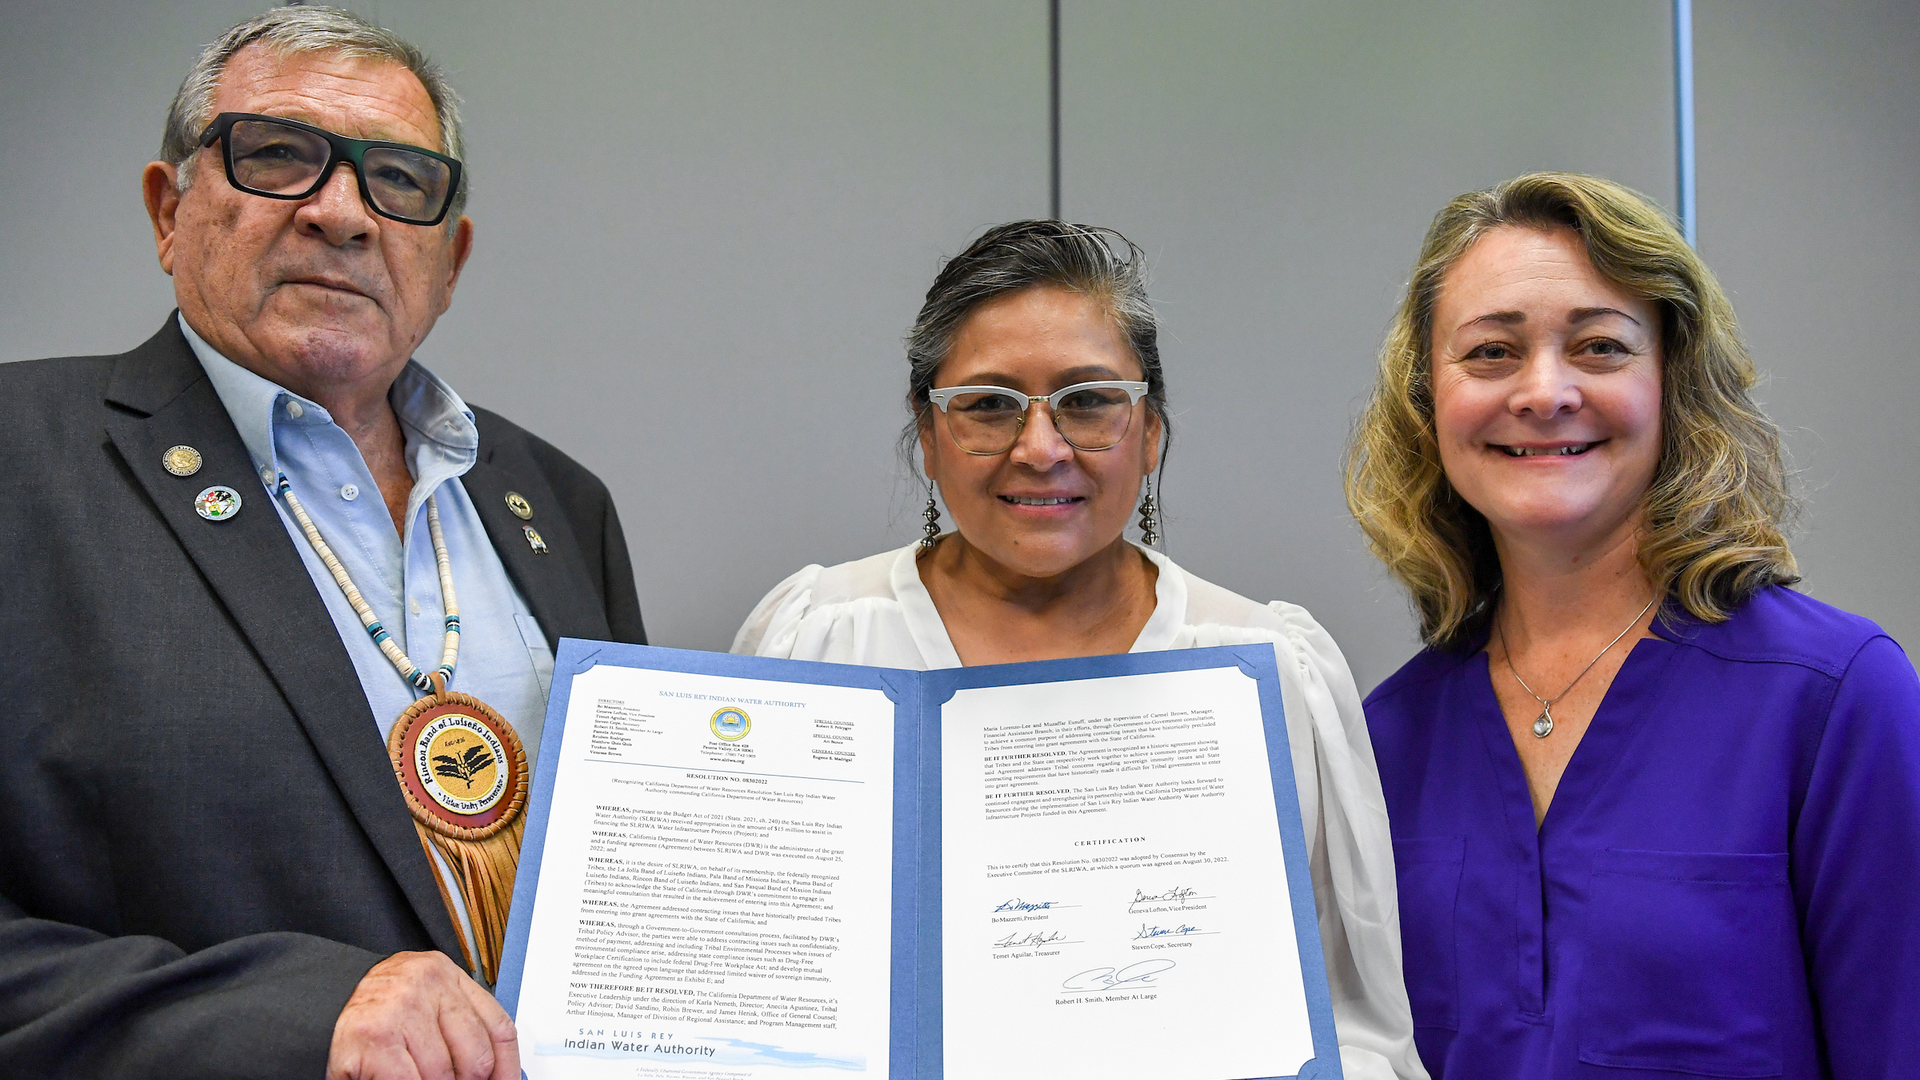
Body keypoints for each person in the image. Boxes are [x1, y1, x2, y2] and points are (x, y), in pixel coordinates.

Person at [0, 9, 646, 1079]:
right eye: (280, 157)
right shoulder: (21, 466)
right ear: (170, 211)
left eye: (399, 181)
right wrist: (286, 1019)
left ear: (450, 258)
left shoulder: (557, 502)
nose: (342, 215)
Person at [734, 219, 1427, 1080]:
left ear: (1152, 432)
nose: (1040, 449)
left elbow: (1351, 1022)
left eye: (1088, 401)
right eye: (986, 405)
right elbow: (749, 968)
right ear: (926, 435)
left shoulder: (1267, 670)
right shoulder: (819, 640)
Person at [1347, 172, 1920, 1078]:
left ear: (1672, 384)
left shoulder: (1837, 698)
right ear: (1427, 400)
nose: (1543, 391)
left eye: (1601, 347)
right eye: (1491, 352)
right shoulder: (1383, 741)